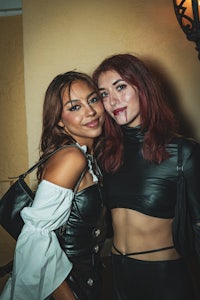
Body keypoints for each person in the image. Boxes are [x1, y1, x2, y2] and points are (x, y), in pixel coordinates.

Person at [92, 53, 200, 300]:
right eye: (104, 94)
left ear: (142, 87)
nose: (113, 100)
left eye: (120, 87)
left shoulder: (184, 152)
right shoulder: (105, 155)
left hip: (164, 280)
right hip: (118, 275)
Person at [0, 71, 107, 300]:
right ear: (58, 119)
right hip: (63, 289)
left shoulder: (86, 157)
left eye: (93, 99)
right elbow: (35, 240)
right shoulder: (72, 158)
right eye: (74, 107)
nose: (90, 111)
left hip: (87, 282)